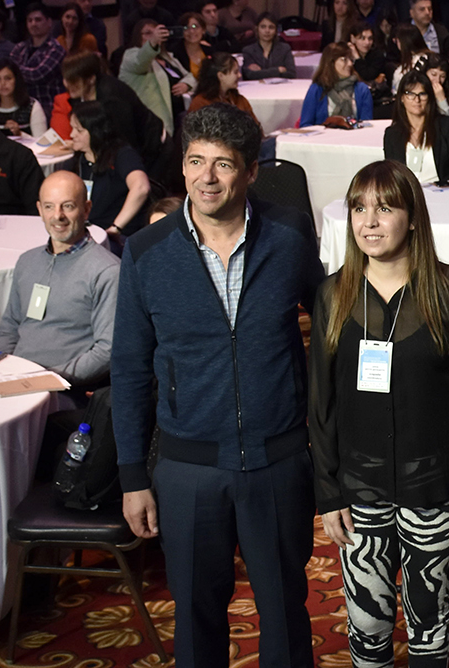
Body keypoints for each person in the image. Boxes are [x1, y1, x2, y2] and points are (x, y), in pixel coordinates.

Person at [113, 103, 324, 668]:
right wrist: (133, 477)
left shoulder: (289, 234)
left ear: (250, 171)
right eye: (195, 161)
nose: (206, 177)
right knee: (195, 617)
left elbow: (331, 329)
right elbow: (129, 371)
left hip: (278, 462)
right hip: (188, 470)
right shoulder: (145, 253)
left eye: (223, 164)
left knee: (285, 614)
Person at [308, 159, 449, 668]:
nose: (369, 222)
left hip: (434, 485)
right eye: (359, 209)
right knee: (367, 627)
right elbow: (321, 403)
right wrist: (328, 492)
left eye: (385, 208)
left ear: (413, 217)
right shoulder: (333, 293)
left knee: (429, 624)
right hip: (360, 489)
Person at [0, 169, 117, 391]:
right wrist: (1, 373)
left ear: (86, 209)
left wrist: (48, 381)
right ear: (40, 210)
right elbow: (9, 327)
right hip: (14, 381)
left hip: (63, 389)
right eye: (49, 206)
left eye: (68, 206)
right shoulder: (27, 261)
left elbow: (107, 350)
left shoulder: (107, 271)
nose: (57, 216)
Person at [67, 101, 151, 239]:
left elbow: (141, 187)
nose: (71, 134)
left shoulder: (122, 154)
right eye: (72, 128)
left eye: (79, 130)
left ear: (96, 131)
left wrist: (116, 228)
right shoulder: (80, 160)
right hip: (89, 231)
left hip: (118, 235)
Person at [383, 71, 449, 184]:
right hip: (408, 193)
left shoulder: (446, 126)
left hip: (443, 191)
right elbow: (392, 177)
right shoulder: (392, 134)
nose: (417, 100)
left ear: (429, 97)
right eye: (410, 94)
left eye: (422, 94)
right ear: (402, 98)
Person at [119, 20, 194, 138]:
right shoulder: (131, 55)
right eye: (148, 33)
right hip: (153, 123)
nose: (154, 36)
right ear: (138, 36)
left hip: (178, 117)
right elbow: (140, 62)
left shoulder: (167, 57)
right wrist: (152, 42)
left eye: (156, 33)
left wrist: (186, 84)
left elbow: (190, 76)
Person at [8, 4, 65, 117]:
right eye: (30, 20)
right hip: (22, 104)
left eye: (38, 20)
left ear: (49, 22)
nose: (33, 24)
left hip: (47, 107)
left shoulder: (56, 49)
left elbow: (37, 75)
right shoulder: (19, 48)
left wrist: (16, 70)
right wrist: (14, 71)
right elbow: (8, 72)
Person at [300, 43, 374, 127]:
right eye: (344, 59)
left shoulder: (362, 90)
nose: (350, 64)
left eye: (351, 59)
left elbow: (366, 125)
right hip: (323, 135)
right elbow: (305, 125)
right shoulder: (317, 89)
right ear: (331, 62)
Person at [188, 53, 260, 129]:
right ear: (221, 76)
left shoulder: (239, 100)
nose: (239, 75)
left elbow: (256, 127)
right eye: (235, 72)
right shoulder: (201, 103)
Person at [0, 60, 47, 137]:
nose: (2, 83)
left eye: (8, 78)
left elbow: (41, 142)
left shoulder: (32, 106)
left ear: (16, 80)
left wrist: (20, 134)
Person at [241, 13, 296, 80]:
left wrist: (261, 73)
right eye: (263, 27)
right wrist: (277, 70)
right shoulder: (248, 50)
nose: (267, 31)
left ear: (276, 30)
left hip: (280, 86)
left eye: (271, 27)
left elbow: (291, 74)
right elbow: (249, 75)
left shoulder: (285, 49)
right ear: (257, 29)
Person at [347, 22, 388, 90]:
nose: (367, 42)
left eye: (370, 38)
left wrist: (357, 58)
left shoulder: (378, 55)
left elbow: (367, 76)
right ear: (353, 38)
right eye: (362, 38)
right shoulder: (346, 54)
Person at [424, 54, 449, 118]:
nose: (437, 80)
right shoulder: (418, 91)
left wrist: (442, 100)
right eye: (433, 74)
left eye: (442, 76)